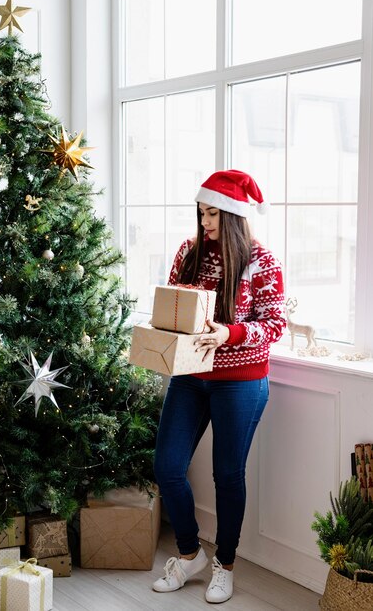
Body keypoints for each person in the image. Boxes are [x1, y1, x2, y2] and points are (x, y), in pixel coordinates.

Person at [152, 169, 286, 604]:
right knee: (168, 467)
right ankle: (190, 554)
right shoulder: (188, 253)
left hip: (241, 381)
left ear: (232, 215)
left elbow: (274, 324)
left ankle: (225, 565)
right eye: (201, 212)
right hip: (191, 376)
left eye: (212, 213)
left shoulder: (261, 261)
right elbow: (175, 305)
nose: (204, 221)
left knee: (227, 475)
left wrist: (227, 333)